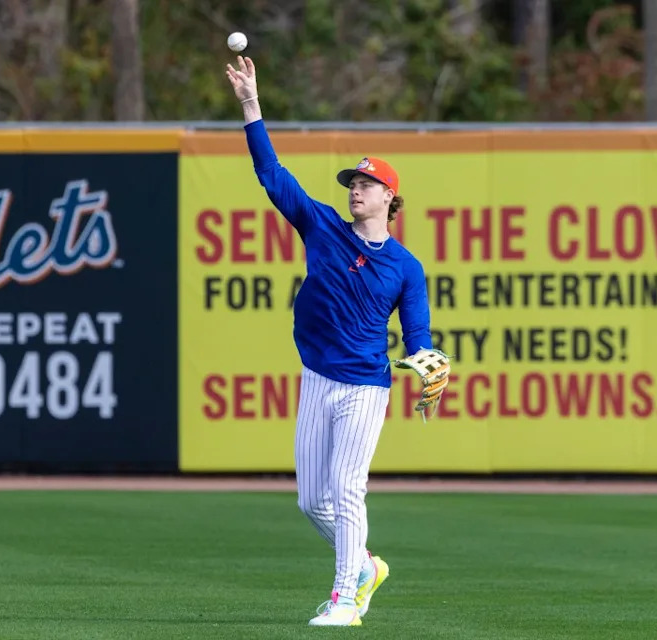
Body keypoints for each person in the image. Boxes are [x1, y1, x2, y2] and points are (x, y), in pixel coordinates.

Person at [225, 55, 447, 627]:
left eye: (367, 184)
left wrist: (428, 366)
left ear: (389, 201)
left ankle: (346, 598)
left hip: (365, 387)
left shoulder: (405, 268)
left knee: (348, 490)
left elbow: (418, 337)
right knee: (311, 502)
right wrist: (251, 106)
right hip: (318, 377)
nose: (356, 190)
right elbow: (274, 176)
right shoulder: (322, 226)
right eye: (353, 182)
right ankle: (367, 565)